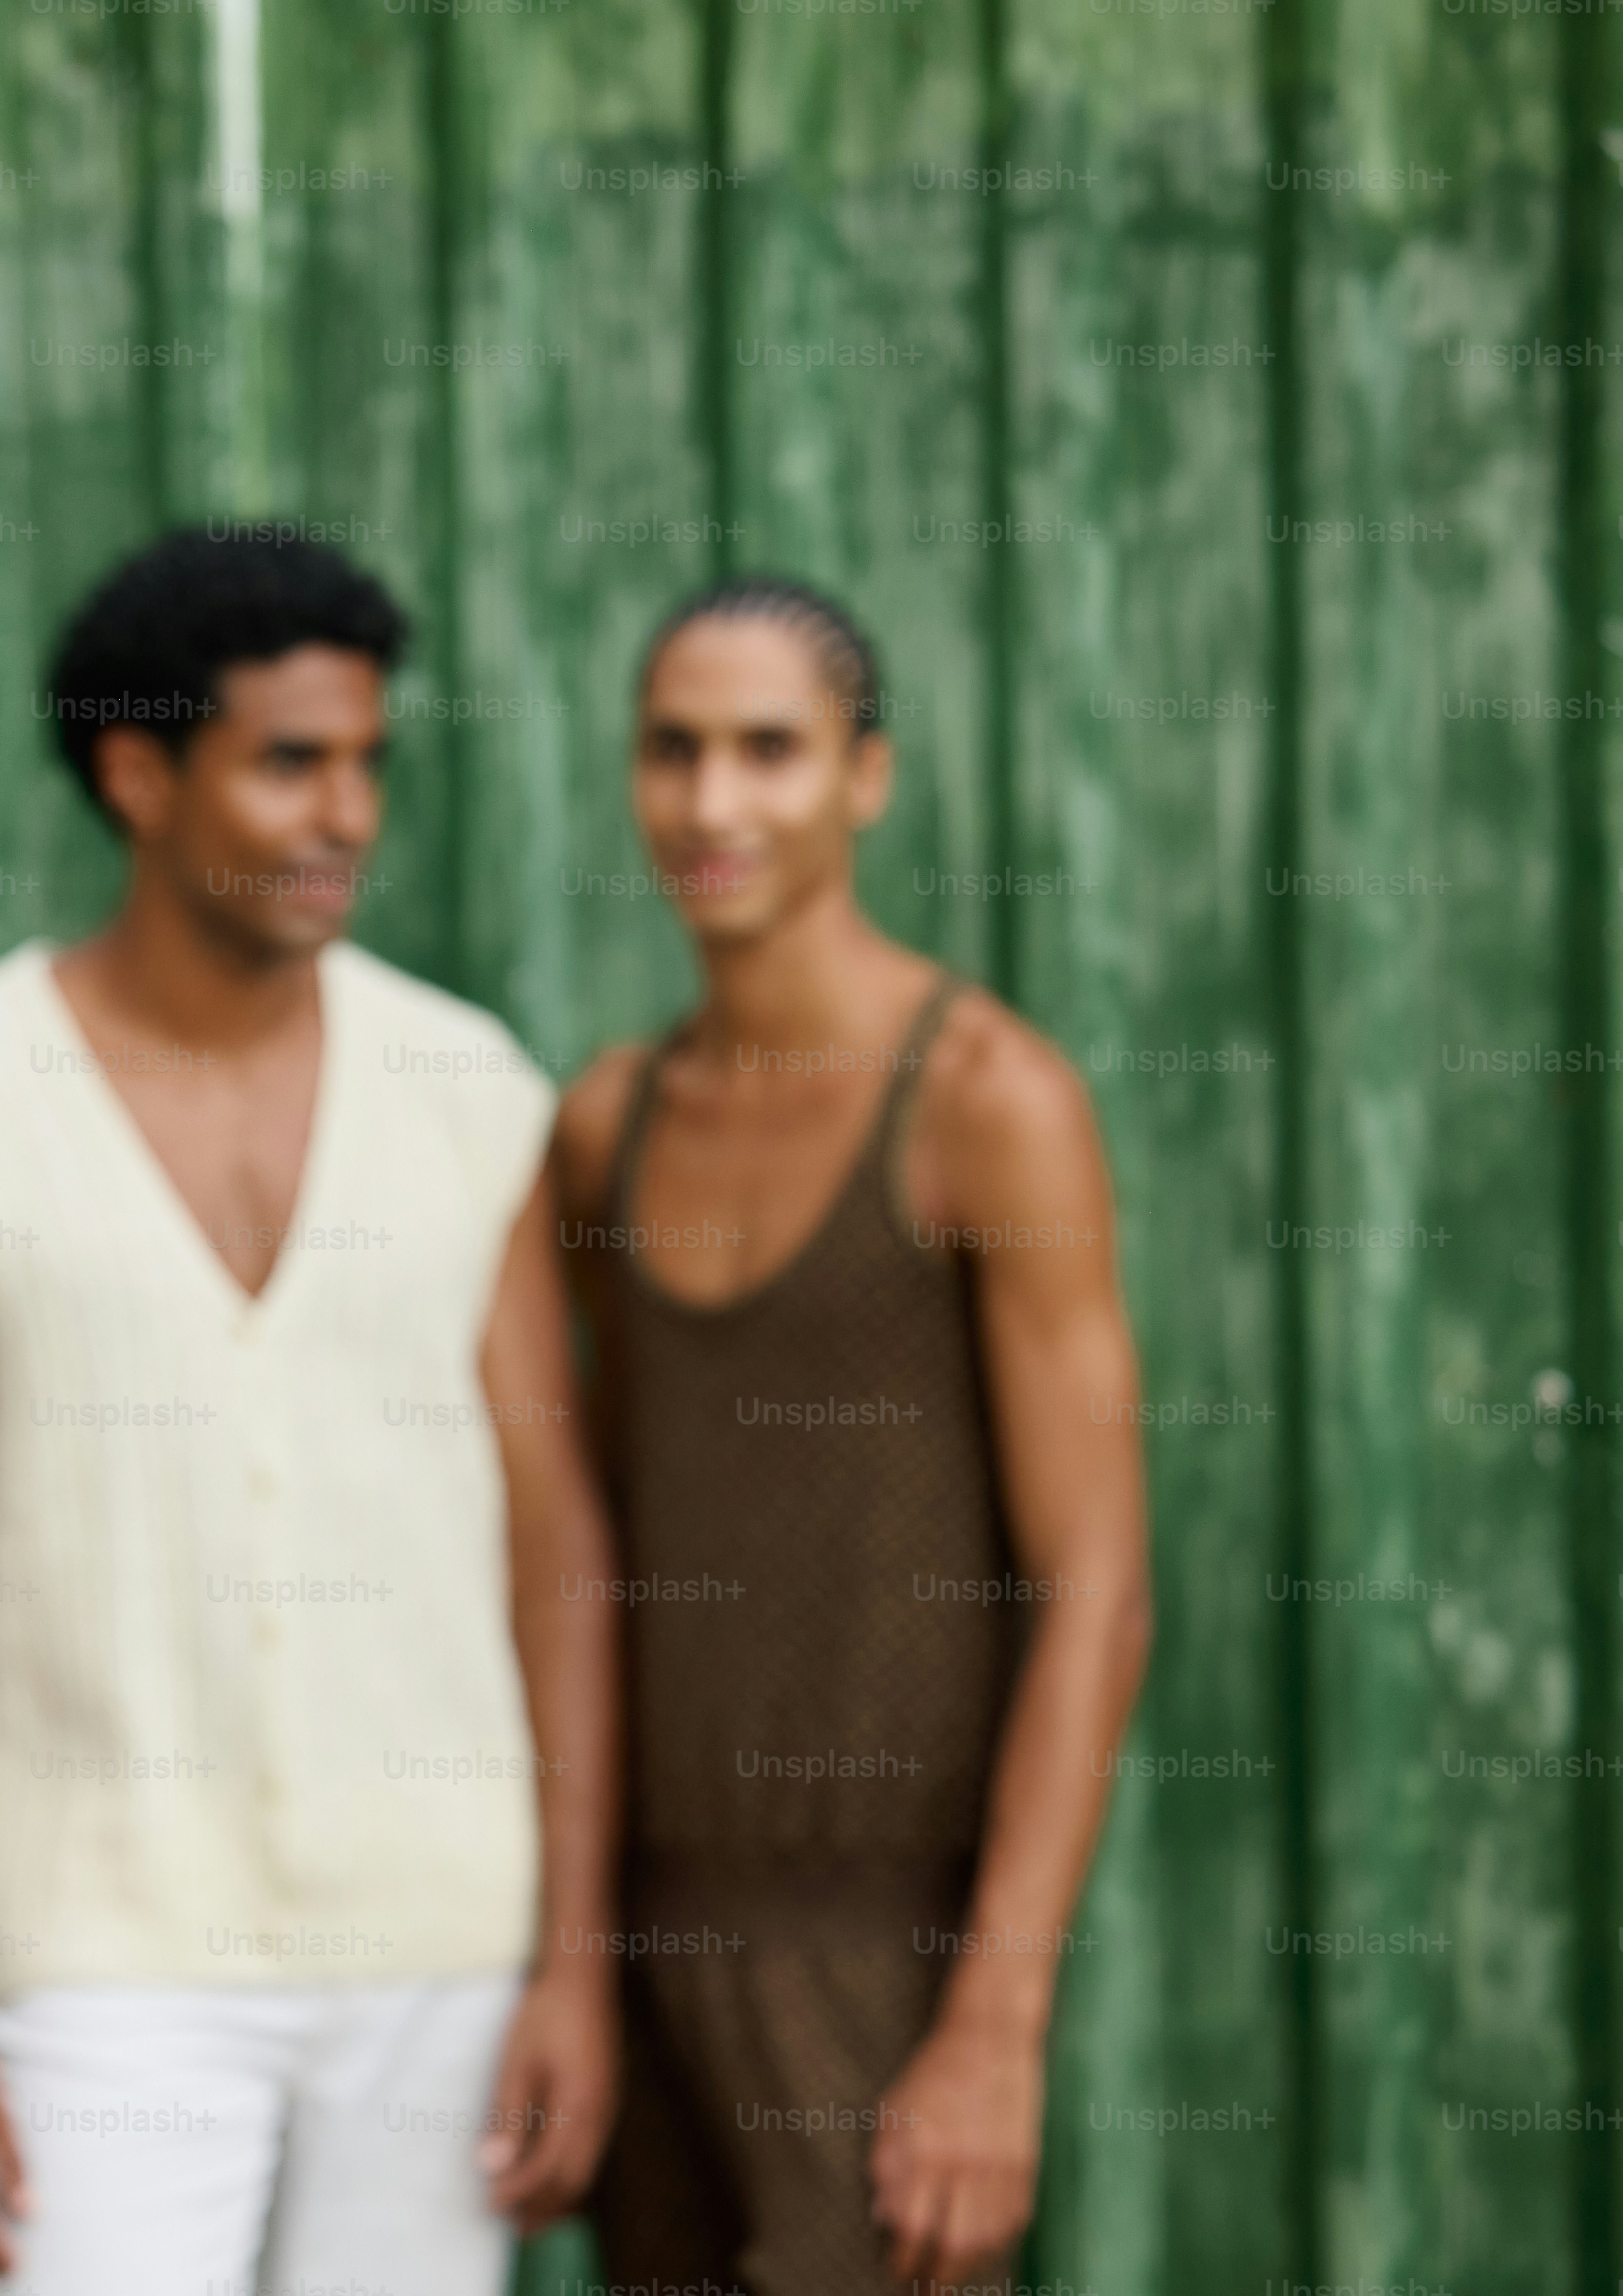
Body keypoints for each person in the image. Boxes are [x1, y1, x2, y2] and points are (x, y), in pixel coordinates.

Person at [0, 527, 623, 2296]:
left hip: (438, 1945)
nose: (348, 811)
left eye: (368, 761)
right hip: (93, 1958)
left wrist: (575, 1963)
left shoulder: (466, 1089)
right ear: (141, 774)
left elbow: (556, 1550)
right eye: (292, 762)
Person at [554, 577, 1153, 2296]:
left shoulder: (988, 1108)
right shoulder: (608, 1127)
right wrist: (580, 1964)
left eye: (770, 750)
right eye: (673, 751)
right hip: (655, 1936)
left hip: (884, 1946)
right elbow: (591, 1554)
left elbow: (1099, 1589)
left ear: (865, 778)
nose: (713, 804)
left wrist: (994, 2028)